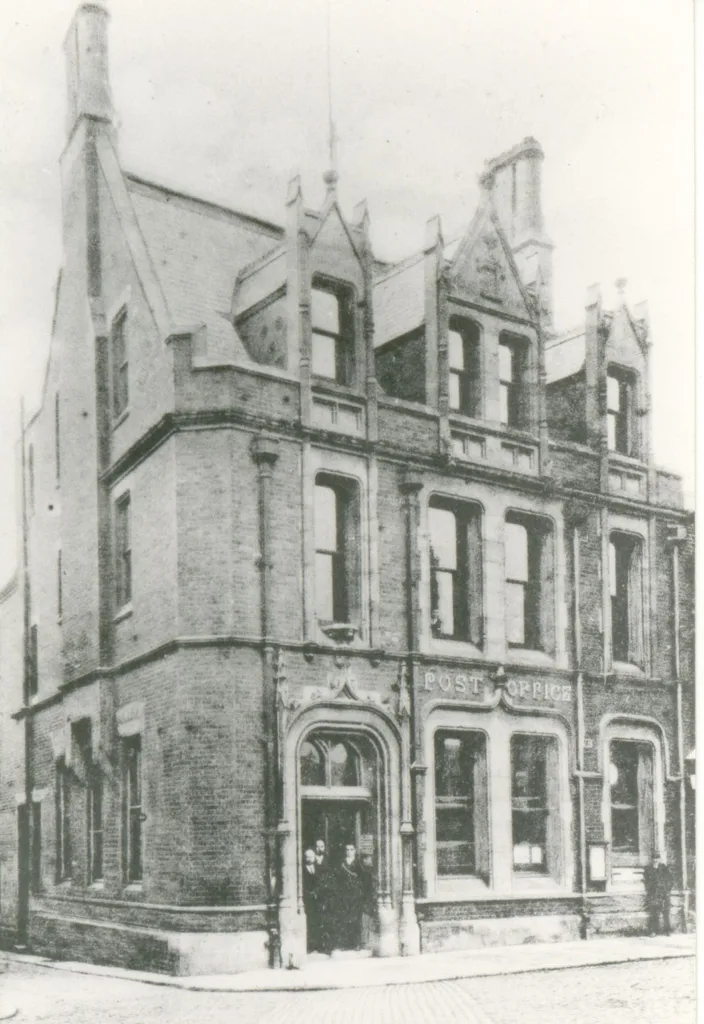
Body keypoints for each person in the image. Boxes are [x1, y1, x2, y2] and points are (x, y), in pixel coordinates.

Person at [332, 843, 374, 951]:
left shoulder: (359, 863)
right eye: (347, 849)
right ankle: (345, 944)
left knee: (356, 919)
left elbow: (364, 879)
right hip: (344, 895)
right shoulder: (342, 863)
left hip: (356, 895)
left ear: (355, 851)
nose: (349, 851)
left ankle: (356, 943)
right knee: (344, 918)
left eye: (351, 849)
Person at [643, 853, 673, 935]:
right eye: (654, 858)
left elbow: (670, 879)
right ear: (651, 859)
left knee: (666, 911)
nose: (655, 860)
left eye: (657, 858)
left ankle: (667, 930)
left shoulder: (663, 868)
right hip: (654, 893)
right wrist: (650, 889)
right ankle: (654, 931)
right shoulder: (648, 869)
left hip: (664, 893)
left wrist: (667, 889)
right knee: (654, 911)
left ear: (659, 859)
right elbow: (646, 881)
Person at [301, 848, 322, 952]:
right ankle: (309, 946)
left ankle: (318, 945)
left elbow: (321, 882)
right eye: (307, 857)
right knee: (309, 922)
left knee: (317, 921)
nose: (309, 859)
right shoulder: (301, 870)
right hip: (308, 899)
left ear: (314, 858)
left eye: (311, 856)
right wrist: (309, 893)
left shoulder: (318, 868)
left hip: (317, 899)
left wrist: (317, 892)